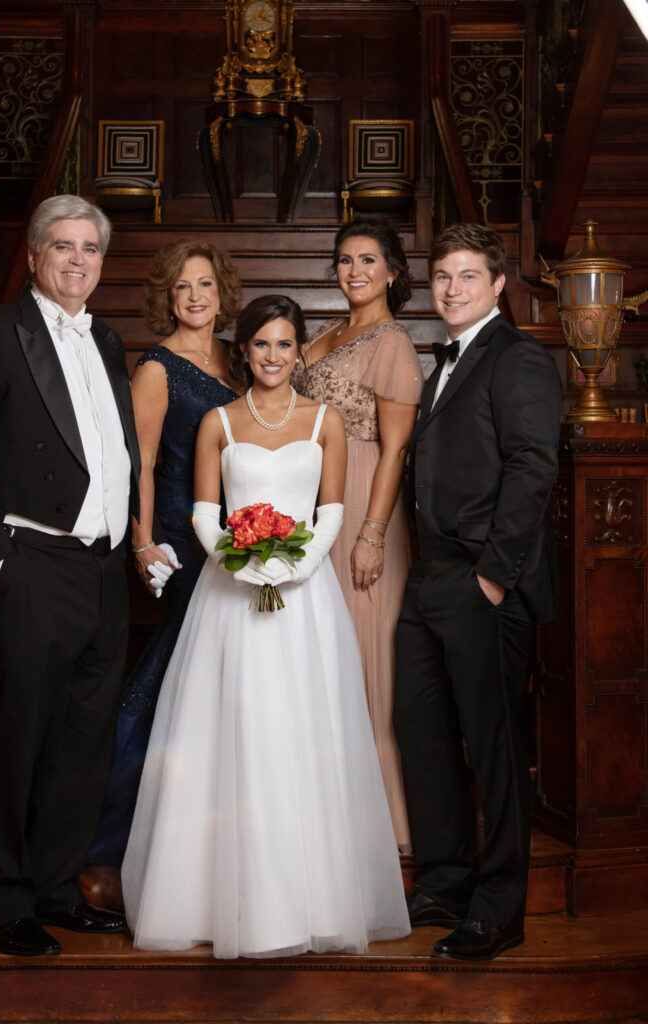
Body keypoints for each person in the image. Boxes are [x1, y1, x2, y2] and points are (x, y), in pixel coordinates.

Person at [122, 295, 411, 959]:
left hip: (305, 598)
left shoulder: (325, 422)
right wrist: (241, 562)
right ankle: (211, 901)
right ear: (243, 351)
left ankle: (307, 902)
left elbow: (333, 512)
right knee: (229, 732)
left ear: (296, 350)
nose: (274, 357)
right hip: (230, 595)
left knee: (299, 733)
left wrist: (296, 565)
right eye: (261, 346)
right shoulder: (219, 422)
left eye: (285, 345)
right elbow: (202, 512)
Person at [0, 195, 146, 956]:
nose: (78, 260)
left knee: (82, 745)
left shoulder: (108, 340)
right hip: (31, 567)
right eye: (63, 246)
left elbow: (115, 456)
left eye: (90, 248)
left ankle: (55, 887)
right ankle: (2, 901)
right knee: (18, 744)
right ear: (33, 254)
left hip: (101, 571)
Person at [393, 223, 562, 961]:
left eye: (468, 276)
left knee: (493, 748)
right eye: (443, 278)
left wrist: (494, 574)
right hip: (427, 578)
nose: (452, 289)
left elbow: (532, 467)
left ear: (498, 285)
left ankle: (498, 909)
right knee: (422, 733)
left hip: (482, 581)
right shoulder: (444, 366)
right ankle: (443, 880)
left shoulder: (519, 359)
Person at [80, 238, 242, 908]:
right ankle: (101, 853)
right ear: (167, 299)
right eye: (183, 288)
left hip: (233, 541)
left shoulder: (236, 360)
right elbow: (138, 463)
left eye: (205, 284)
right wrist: (144, 544)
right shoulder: (157, 369)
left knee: (205, 691)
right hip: (181, 546)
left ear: (222, 293)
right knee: (158, 685)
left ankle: (192, 852)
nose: (196, 297)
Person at [293, 219, 422, 853]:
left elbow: (396, 448)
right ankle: (326, 812)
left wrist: (372, 534)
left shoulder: (392, 341)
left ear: (393, 271)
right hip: (319, 503)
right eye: (345, 260)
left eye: (369, 260)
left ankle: (383, 827)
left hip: (367, 501)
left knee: (366, 654)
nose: (355, 271)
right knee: (323, 653)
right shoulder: (329, 334)